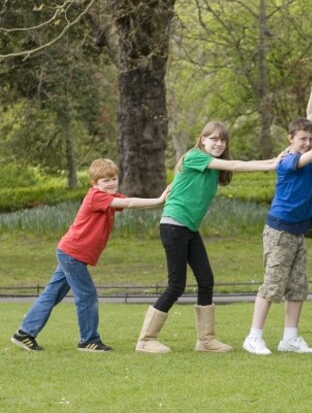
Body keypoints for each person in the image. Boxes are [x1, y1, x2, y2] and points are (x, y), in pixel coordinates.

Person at [135, 121, 283, 354]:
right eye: (213, 138)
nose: (219, 143)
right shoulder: (194, 157)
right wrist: (272, 164)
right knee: (176, 285)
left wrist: (274, 161)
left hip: (189, 229)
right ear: (202, 139)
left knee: (206, 280)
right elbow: (235, 164)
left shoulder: (212, 167)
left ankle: (205, 340)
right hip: (174, 225)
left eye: (222, 140)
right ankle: (146, 339)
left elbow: (231, 164)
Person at [11, 158, 170, 353]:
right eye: (105, 180)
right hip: (72, 254)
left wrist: (160, 203)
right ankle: (88, 340)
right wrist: (159, 199)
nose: (111, 183)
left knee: (51, 295)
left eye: (114, 178)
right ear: (95, 184)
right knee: (86, 294)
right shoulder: (97, 196)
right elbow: (128, 202)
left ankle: (25, 333)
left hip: (70, 253)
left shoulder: (107, 198)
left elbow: (129, 202)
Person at [242, 65, 312, 355]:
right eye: (302, 139)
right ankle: (254, 336)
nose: (308, 142)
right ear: (290, 139)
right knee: (272, 284)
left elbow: (310, 115)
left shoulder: (302, 142)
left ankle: (290, 338)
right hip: (279, 229)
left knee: (297, 286)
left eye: (310, 138)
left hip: (297, 231)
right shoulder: (287, 160)